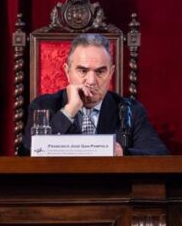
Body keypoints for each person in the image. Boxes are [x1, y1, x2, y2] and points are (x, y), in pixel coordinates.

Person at [21, 33, 169, 156]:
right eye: (83, 71)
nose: (91, 81)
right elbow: (27, 155)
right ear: (67, 71)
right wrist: (69, 111)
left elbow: (159, 155)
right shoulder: (43, 107)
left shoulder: (130, 110)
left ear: (111, 73)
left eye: (100, 72)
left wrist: (122, 153)